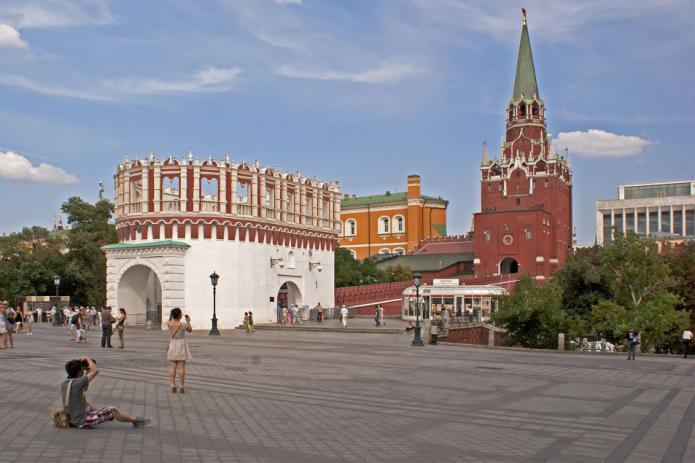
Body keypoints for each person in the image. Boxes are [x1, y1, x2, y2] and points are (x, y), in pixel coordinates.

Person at [60, 357, 151, 429]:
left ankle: (100, 414)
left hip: (72, 419)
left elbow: (83, 396)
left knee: (86, 403)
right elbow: (95, 371)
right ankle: (135, 421)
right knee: (113, 410)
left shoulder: (65, 383)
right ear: (79, 373)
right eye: (82, 370)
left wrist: (98, 411)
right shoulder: (79, 382)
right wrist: (87, 358)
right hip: (83, 421)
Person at [167, 308, 192, 393]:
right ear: (180, 315)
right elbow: (190, 330)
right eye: (181, 313)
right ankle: (181, 385)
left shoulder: (169, 324)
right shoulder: (183, 324)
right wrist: (188, 321)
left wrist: (171, 315)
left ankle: (173, 384)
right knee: (181, 367)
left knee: (172, 366)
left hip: (173, 344)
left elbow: (169, 320)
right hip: (181, 345)